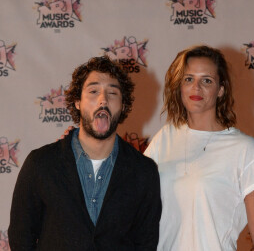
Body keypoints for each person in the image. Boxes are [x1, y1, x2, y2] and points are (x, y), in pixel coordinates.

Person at [8, 56, 162, 251]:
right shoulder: (41, 164)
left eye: (113, 93)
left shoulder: (143, 172)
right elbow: (21, 238)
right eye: (93, 91)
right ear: (77, 102)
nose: (103, 99)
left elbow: (146, 243)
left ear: (123, 106)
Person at [144, 45, 254, 251]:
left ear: (220, 89)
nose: (196, 88)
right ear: (179, 86)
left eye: (207, 80)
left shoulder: (245, 151)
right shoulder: (164, 139)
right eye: (189, 79)